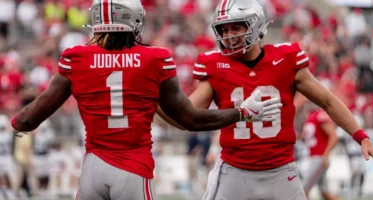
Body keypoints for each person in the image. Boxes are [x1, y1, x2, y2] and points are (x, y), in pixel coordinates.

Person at [10, 1, 282, 200]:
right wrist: (242, 113)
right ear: (135, 21)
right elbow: (190, 119)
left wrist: (13, 125)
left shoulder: (76, 58)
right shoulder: (155, 59)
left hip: (92, 168)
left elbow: (27, 120)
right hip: (132, 168)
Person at [157, 0, 373, 199]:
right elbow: (186, 115)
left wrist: (361, 136)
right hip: (234, 171)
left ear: (255, 25)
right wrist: (153, 102)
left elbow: (328, 101)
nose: (229, 36)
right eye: (224, 30)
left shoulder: (286, 59)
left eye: (236, 27)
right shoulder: (215, 65)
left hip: (281, 171)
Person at [299, 103, 338, 200]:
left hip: (319, 158)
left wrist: (326, 154)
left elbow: (334, 136)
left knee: (303, 190)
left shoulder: (320, 115)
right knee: (325, 192)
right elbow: (308, 136)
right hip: (315, 157)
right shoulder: (310, 116)